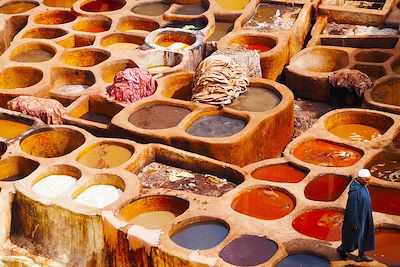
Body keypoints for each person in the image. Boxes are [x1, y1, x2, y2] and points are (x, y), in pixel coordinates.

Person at [337, 169, 375, 262]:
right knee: (352, 238)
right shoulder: (355, 192)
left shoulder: (363, 184)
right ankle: (341, 250)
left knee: (364, 235)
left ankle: (361, 255)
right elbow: (352, 208)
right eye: (366, 179)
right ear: (360, 179)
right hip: (357, 218)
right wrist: (354, 222)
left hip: (365, 215)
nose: (368, 181)